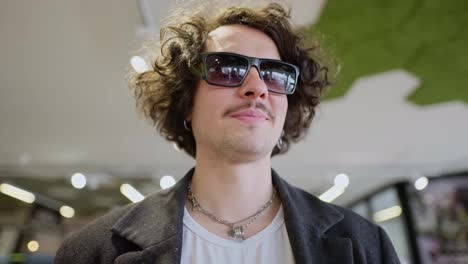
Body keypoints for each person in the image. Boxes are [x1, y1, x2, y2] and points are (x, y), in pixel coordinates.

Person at [54, 2, 400, 263]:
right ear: (185, 101)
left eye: (275, 74)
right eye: (227, 68)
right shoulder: (92, 252)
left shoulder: (365, 244)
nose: (257, 87)